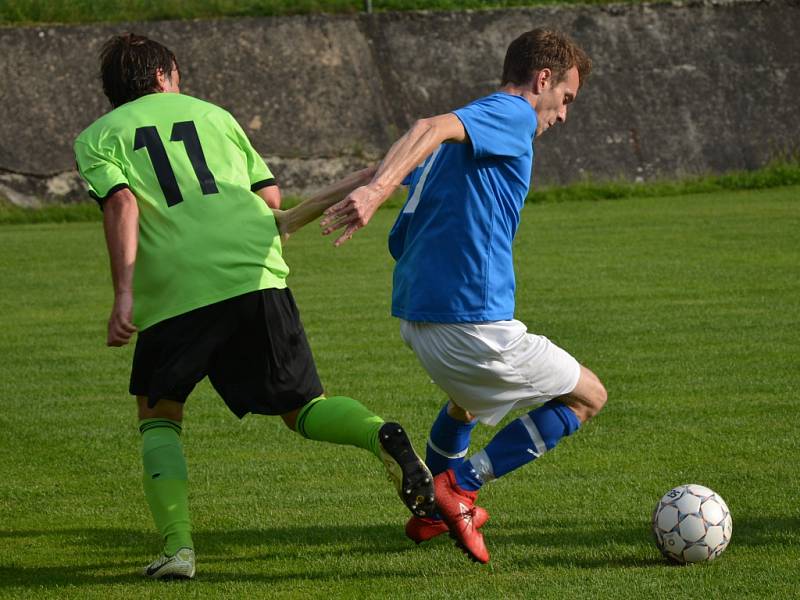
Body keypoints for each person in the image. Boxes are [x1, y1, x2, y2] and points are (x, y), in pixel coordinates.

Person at [73, 33, 434, 581]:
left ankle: (178, 549)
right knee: (303, 407)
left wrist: (123, 292)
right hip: (256, 271)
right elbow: (268, 201)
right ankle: (377, 433)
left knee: (159, 412)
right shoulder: (215, 116)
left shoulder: (97, 138)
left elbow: (122, 202)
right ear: (164, 75)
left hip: (179, 289)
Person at [309, 28, 608, 564]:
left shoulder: (467, 136)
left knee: (465, 405)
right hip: (472, 322)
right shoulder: (510, 114)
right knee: (589, 397)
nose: (563, 115)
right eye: (565, 99)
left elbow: (374, 166)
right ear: (542, 80)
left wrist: (291, 217)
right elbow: (424, 129)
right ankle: (461, 487)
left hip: (418, 321)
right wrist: (377, 193)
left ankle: (429, 510)